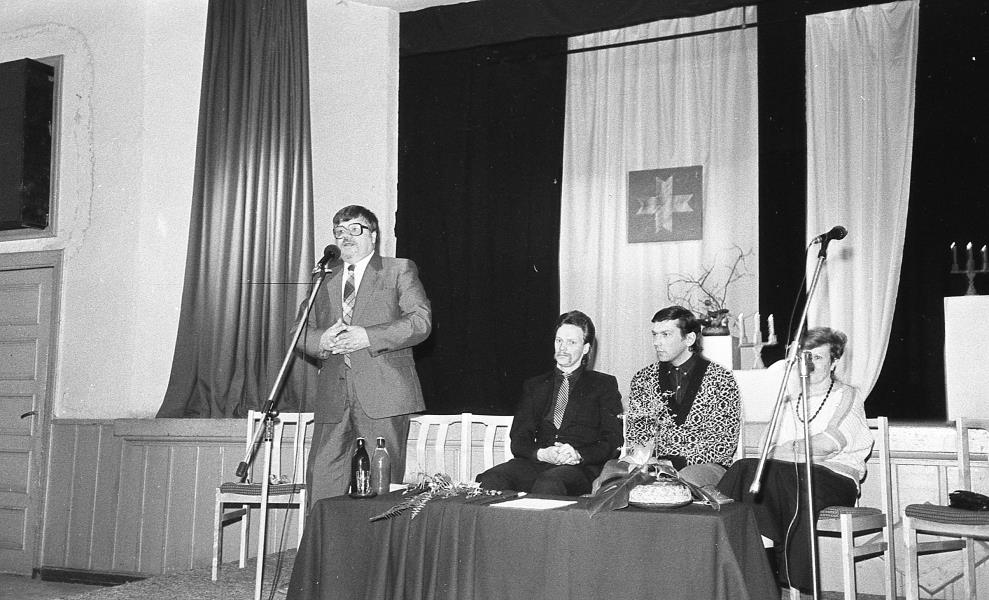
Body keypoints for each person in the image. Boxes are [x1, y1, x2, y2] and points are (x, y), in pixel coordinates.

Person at [716, 327, 872, 593]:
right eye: (804, 357)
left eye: (817, 357)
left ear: (834, 362)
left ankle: (782, 580)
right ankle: (763, 579)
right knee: (748, 470)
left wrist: (786, 449)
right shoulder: (790, 400)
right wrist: (795, 450)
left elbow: (827, 445)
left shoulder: (847, 395)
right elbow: (766, 448)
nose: (809, 364)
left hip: (833, 479)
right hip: (789, 478)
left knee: (767, 478)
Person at [296, 205, 432, 503]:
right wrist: (322, 340)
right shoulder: (324, 278)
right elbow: (300, 332)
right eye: (339, 231)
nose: (346, 237)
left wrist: (367, 336)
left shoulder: (399, 270)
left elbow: (420, 322)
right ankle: (323, 537)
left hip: (383, 395)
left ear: (373, 235)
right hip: (333, 398)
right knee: (321, 486)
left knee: (381, 491)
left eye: (355, 229)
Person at [475, 310, 623, 496]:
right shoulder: (535, 386)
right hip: (539, 463)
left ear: (586, 348)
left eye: (571, 342)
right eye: (559, 340)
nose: (562, 348)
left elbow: (613, 441)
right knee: (490, 479)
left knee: (550, 483)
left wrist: (578, 454)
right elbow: (519, 440)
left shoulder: (603, 385)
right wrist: (541, 453)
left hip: (579, 468)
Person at [623, 305, 740, 487]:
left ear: (689, 338)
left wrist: (672, 463)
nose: (656, 342)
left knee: (680, 482)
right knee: (608, 478)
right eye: (655, 335)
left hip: (704, 467)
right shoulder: (643, 379)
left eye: (666, 335)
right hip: (652, 465)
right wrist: (644, 460)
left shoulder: (721, 379)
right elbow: (637, 435)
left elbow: (722, 444)